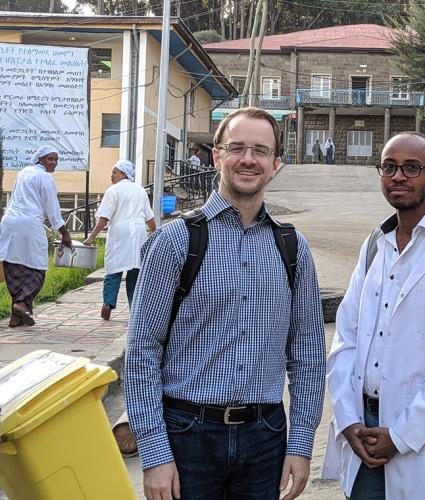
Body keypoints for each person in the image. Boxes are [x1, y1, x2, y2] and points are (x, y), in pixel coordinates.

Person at [125, 107, 326, 500]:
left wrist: (300, 444)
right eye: (237, 147)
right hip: (187, 434)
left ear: (276, 164)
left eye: (260, 150)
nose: (248, 159)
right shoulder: (176, 241)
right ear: (217, 155)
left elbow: (308, 354)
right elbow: (142, 350)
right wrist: (154, 452)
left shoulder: (292, 249)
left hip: (264, 438)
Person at [322, 131, 425, 499]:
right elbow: (346, 339)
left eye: (412, 167)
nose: (399, 176)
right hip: (364, 434)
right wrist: (348, 420)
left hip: (423, 441)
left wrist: (400, 436)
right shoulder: (373, 246)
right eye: (389, 167)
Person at [0, 145, 72, 327]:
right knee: (38, 268)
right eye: (50, 159)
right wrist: (65, 233)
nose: (54, 163)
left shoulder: (23, 172)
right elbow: (53, 210)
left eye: (56, 159)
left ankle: (17, 316)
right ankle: (20, 303)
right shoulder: (46, 178)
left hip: (9, 222)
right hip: (29, 223)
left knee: (13, 264)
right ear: (40, 159)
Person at [83, 160, 156, 320]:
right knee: (135, 271)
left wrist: (91, 237)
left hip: (119, 232)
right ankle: (134, 308)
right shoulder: (140, 190)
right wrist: (156, 235)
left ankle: (108, 303)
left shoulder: (113, 190)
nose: (111, 175)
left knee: (113, 269)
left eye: (114, 172)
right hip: (138, 232)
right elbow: (149, 217)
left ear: (124, 174)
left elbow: (104, 218)